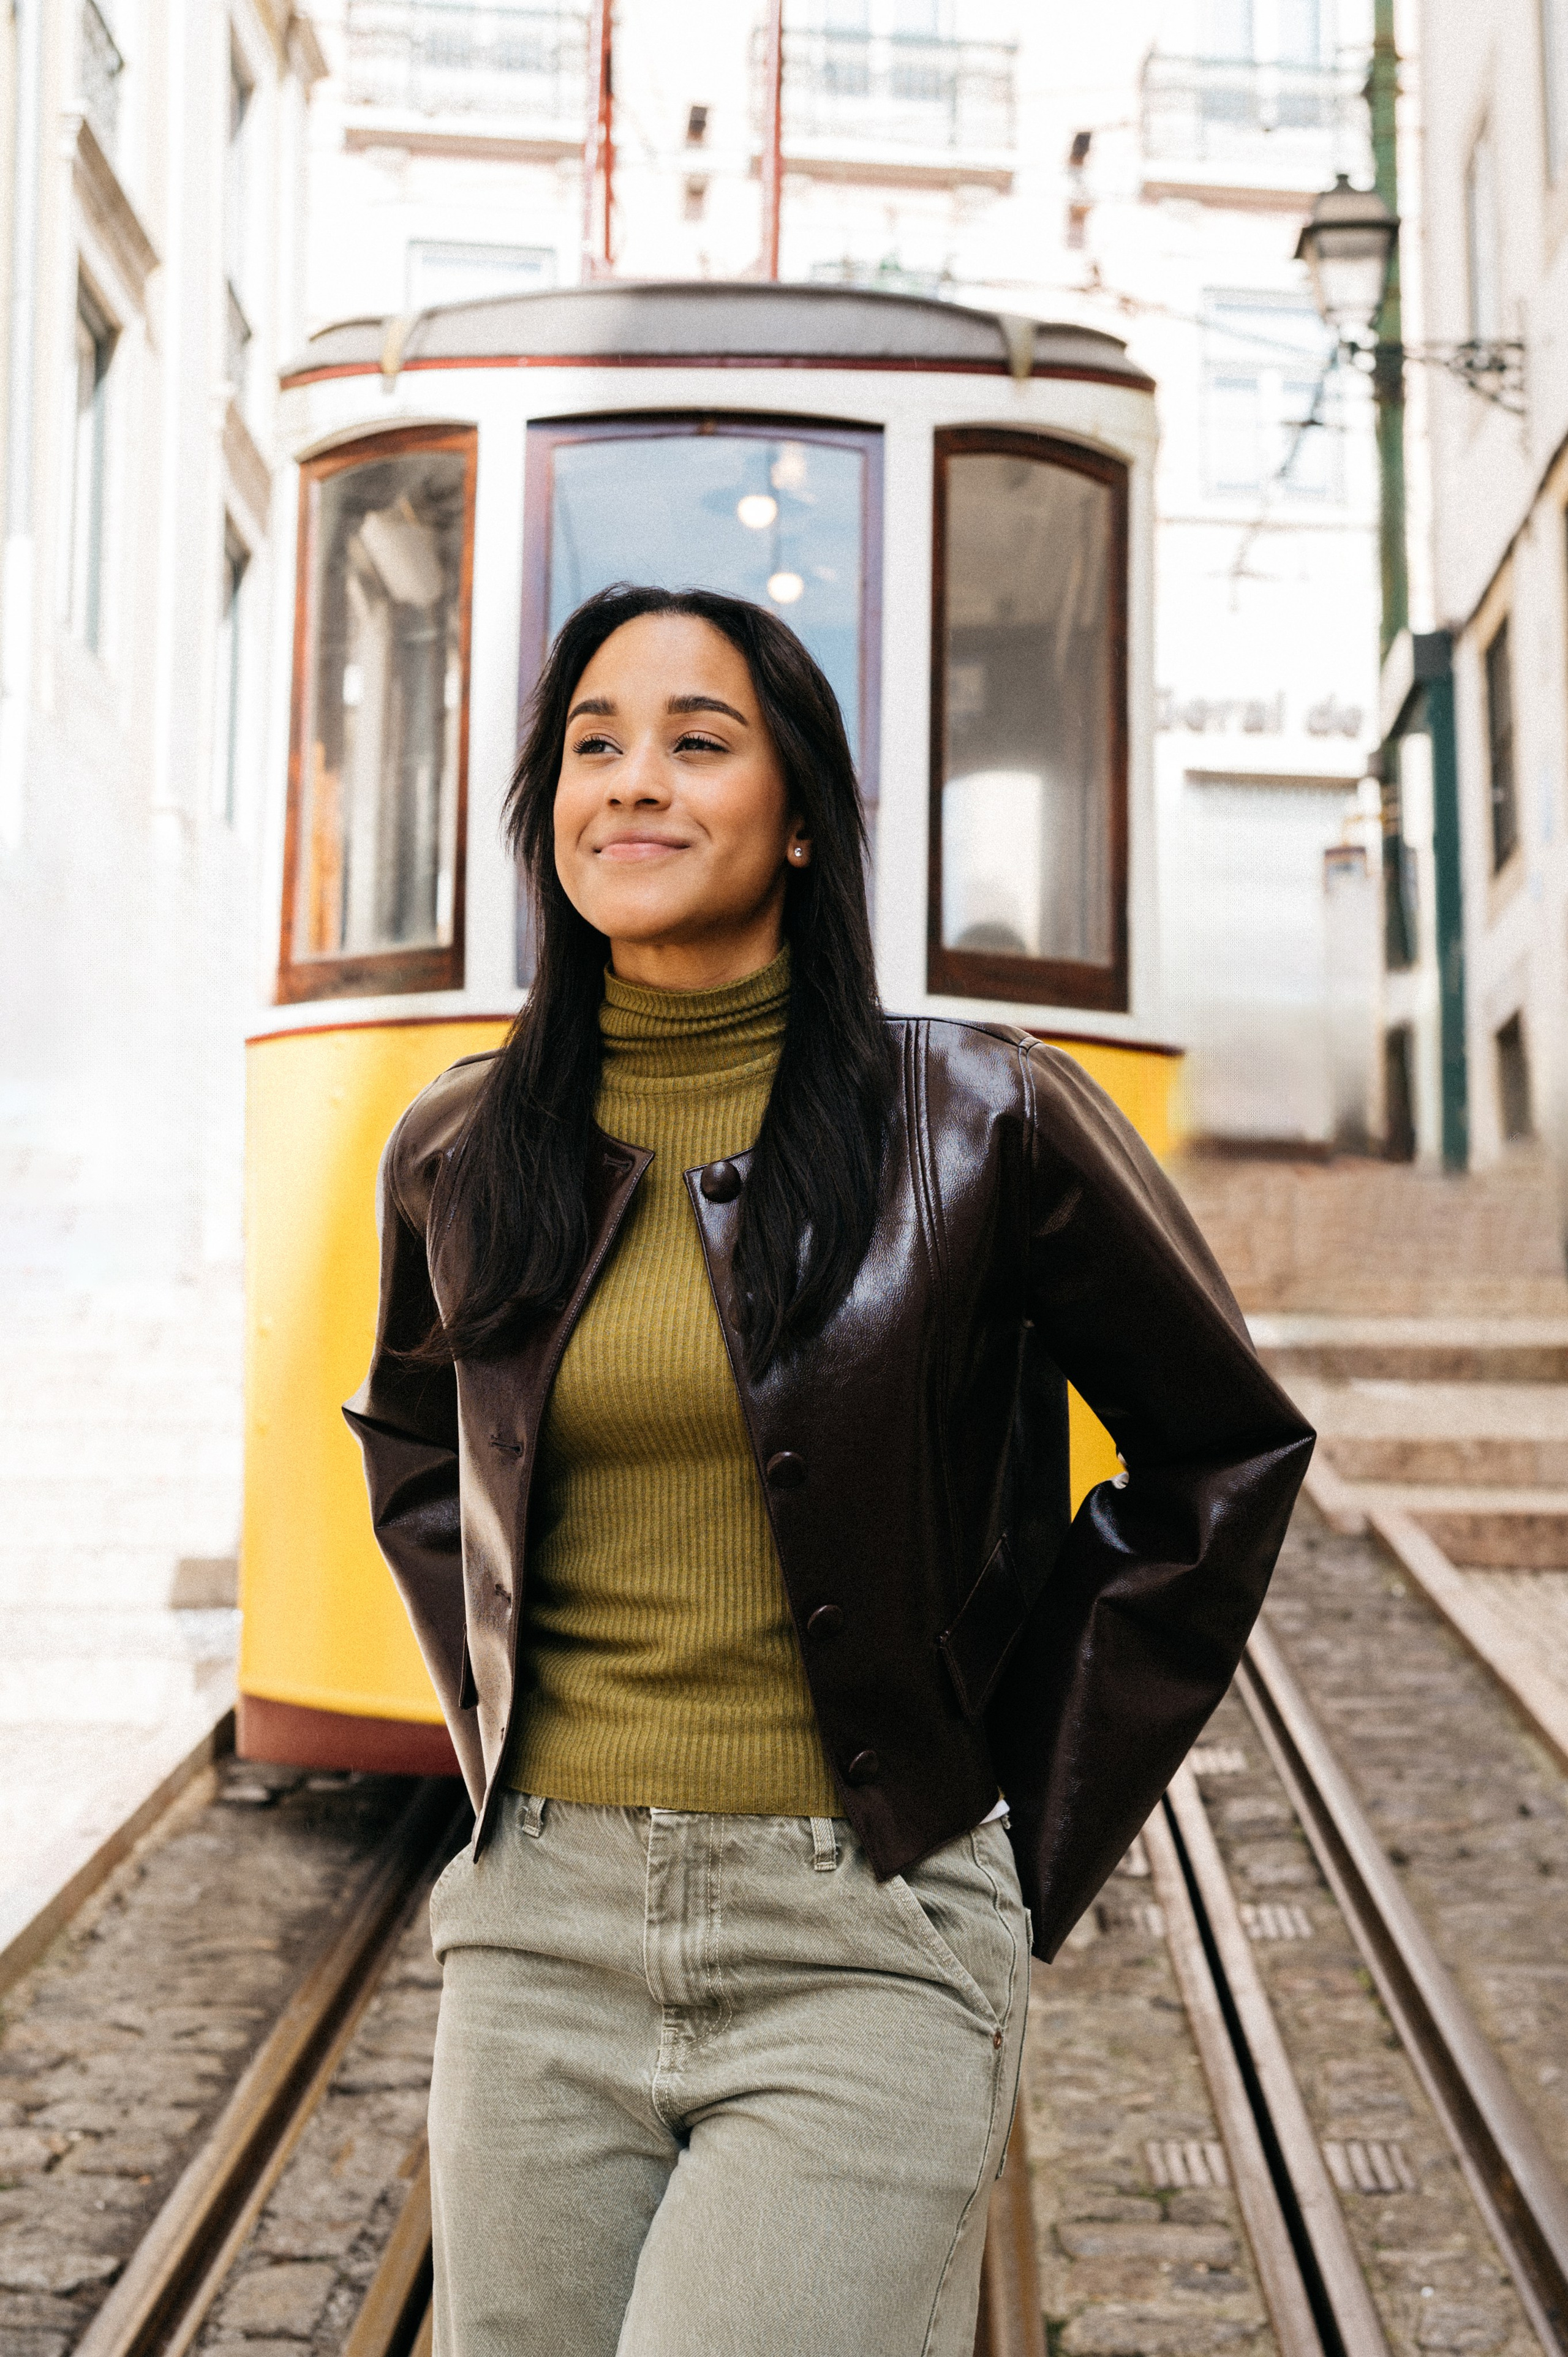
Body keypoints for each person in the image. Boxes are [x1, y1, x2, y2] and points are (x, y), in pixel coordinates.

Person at [345, 584, 1313, 2357]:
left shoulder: (985, 1119)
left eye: (698, 742)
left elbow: (1222, 1449)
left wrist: (1012, 1806)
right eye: (593, 745)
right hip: (538, 1934)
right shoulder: (461, 1148)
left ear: (802, 820)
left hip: (859, 1936)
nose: (633, 782)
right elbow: (417, 1442)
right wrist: (498, 1741)